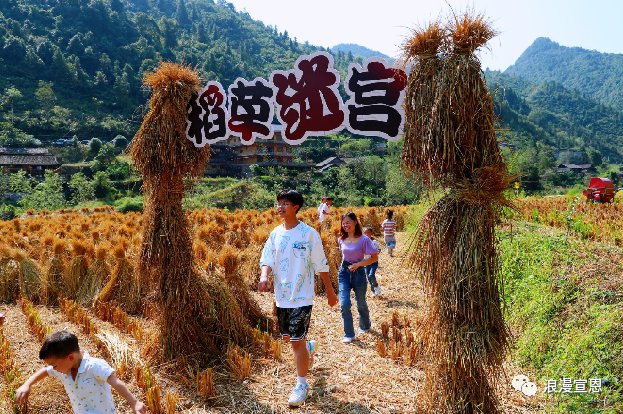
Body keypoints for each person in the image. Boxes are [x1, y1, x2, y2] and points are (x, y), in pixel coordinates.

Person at [259, 189, 338, 407]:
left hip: (302, 296)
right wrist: (264, 276)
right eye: (279, 203)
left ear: (296, 207)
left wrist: (331, 292)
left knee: (294, 342)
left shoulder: (308, 234)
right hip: (282, 296)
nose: (280, 206)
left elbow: (320, 264)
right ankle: (308, 348)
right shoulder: (275, 233)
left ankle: (301, 384)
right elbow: (267, 258)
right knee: (290, 340)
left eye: (285, 203)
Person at [15, 330, 146, 414]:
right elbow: (45, 371)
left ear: (70, 357)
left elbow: (116, 382)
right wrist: (27, 384)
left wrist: (134, 402)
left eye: (54, 365)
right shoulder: (63, 369)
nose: (53, 368)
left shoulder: (94, 366)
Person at [337, 212, 378, 343]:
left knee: (361, 302)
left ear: (355, 222)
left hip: (359, 272)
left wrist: (358, 264)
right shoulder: (341, 239)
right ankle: (349, 334)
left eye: (348, 222)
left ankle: (365, 325)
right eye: (343, 222)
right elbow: (343, 255)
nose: (345, 224)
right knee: (344, 304)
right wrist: (345, 267)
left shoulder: (364, 239)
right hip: (344, 272)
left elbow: (374, 257)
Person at [362, 227, 382, 297]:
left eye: (368, 233)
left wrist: (376, 254)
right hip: (366, 263)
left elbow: (379, 249)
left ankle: (376, 287)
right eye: (365, 233)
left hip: (373, 262)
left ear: (371, 234)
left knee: (371, 275)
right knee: (368, 277)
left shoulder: (374, 242)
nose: (366, 234)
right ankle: (374, 291)